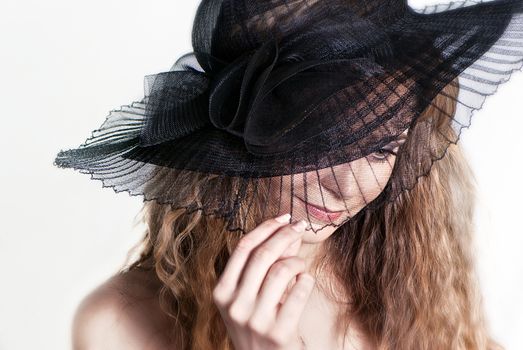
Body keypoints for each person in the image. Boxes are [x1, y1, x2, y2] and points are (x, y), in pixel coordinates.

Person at [54, 0, 523, 349]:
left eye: (381, 148)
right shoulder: (118, 326)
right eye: (322, 139)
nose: (346, 185)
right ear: (241, 130)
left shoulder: (411, 277)